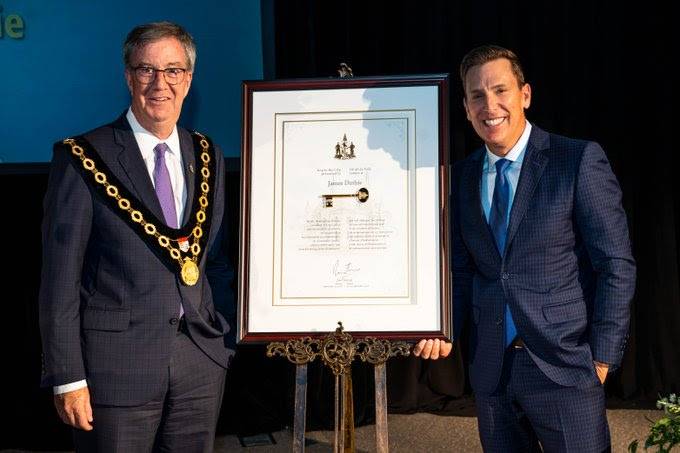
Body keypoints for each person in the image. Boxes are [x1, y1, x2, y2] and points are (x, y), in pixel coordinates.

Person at [413, 45, 636, 452]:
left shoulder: (577, 159)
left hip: (565, 366)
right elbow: (462, 270)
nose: (490, 105)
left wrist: (601, 360)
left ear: (525, 95)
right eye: (477, 96)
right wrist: (442, 325)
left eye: (501, 90)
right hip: (492, 369)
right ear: (465, 107)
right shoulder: (459, 179)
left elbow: (616, 265)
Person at [39, 21, 235, 452]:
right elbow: (60, 281)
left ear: (188, 79)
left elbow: (214, 263)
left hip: (200, 365)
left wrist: (222, 338)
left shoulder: (208, 155)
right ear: (129, 77)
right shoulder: (83, 157)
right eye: (146, 70)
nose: (159, 83)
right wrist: (67, 377)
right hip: (115, 368)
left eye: (172, 70)